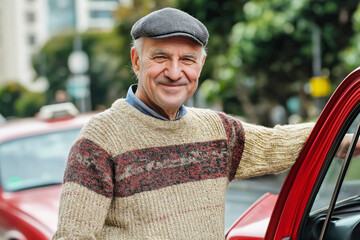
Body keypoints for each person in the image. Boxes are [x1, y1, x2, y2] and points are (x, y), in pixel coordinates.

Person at [52, 8, 314, 239]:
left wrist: (347, 139)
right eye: (161, 57)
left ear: (201, 65)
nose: (175, 73)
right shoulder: (100, 139)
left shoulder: (218, 131)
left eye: (187, 60)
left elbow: (278, 144)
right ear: (136, 61)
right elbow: (73, 236)